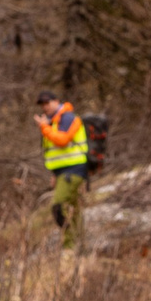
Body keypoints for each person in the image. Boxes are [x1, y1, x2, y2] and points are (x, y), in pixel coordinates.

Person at [34, 91, 91, 251]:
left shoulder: (69, 118)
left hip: (75, 169)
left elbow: (62, 140)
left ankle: (69, 246)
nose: (44, 107)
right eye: (42, 104)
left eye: (47, 103)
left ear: (56, 101)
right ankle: (81, 248)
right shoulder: (53, 122)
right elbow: (54, 153)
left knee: (59, 206)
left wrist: (44, 127)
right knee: (74, 209)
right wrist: (54, 174)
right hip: (62, 173)